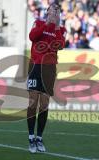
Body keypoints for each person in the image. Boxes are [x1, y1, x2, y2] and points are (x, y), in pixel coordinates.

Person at [27, 3, 66, 153]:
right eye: (52, 9)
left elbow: (60, 45)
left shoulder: (61, 30)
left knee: (44, 105)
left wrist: (55, 27)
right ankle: (31, 137)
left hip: (49, 69)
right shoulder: (38, 23)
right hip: (35, 66)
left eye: (57, 10)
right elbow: (32, 37)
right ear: (47, 11)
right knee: (32, 103)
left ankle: (39, 138)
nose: (54, 12)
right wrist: (47, 24)